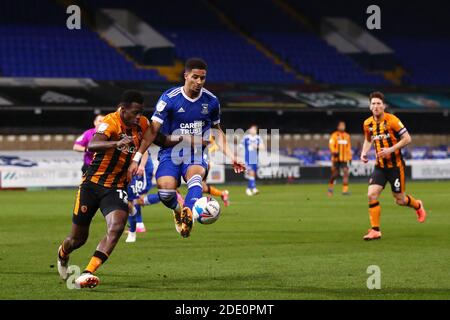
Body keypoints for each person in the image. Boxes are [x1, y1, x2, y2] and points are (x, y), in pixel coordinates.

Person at [128, 57, 244, 238]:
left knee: (195, 175)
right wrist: (137, 158)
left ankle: (188, 213)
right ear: (186, 76)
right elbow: (152, 131)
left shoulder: (211, 101)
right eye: (195, 77)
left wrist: (232, 156)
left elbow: (217, 131)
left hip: (196, 153)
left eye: (202, 78)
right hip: (170, 153)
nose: (199, 82)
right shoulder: (169, 98)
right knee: (165, 191)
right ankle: (177, 209)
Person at [57, 90, 149, 288]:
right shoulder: (111, 121)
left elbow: (160, 138)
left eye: (141, 112)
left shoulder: (142, 124)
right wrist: (117, 142)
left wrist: (190, 140)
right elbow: (93, 143)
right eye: (134, 112)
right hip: (92, 185)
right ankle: (63, 253)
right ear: (123, 110)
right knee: (78, 239)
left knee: (116, 227)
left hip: (116, 187)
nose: (138, 116)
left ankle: (88, 272)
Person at [360, 91, 427, 240]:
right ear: (370, 107)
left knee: (400, 200)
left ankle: (417, 205)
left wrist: (390, 149)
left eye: (378, 103)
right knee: (371, 194)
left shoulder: (393, 121)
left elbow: (407, 138)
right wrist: (364, 153)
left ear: (383, 106)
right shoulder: (367, 123)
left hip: (395, 166)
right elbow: (368, 140)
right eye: (373, 104)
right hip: (380, 167)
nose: (376, 106)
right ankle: (375, 230)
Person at [125, 149, 161, 243]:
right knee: (127, 201)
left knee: (137, 199)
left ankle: (132, 231)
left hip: (141, 169)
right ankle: (138, 225)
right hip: (126, 167)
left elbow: (144, 150)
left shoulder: (136, 135)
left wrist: (141, 166)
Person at [201, 135, 229, 206]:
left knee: (199, 186)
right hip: (196, 162)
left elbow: (215, 146)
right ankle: (222, 194)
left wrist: (207, 149)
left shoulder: (206, 132)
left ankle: (194, 206)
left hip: (202, 163)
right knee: (202, 187)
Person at [327, 121, 352, 196]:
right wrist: (334, 151)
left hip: (344, 159)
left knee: (346, 172)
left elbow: (348, 148)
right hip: (336, 158)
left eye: (343, 125)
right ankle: (330, 189)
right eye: (341, 125)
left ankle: (345, 191)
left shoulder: (347, 136)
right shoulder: (334, 135)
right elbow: (331, 145)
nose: (342, 127)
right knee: (335, 174)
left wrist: (350, 157)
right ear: (338, 127)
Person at [242, 125, 264, 196]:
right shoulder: (246, 137)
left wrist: (256, 146)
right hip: (247, 157)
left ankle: (248, 189)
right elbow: (240, 146)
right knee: (251, 172)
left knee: (253, 173)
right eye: (250, 129)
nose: (251, 130)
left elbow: (263, 147)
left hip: (254, 157)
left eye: (253, 129)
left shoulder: (258, 138)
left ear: (256, 131)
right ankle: (254, 189)